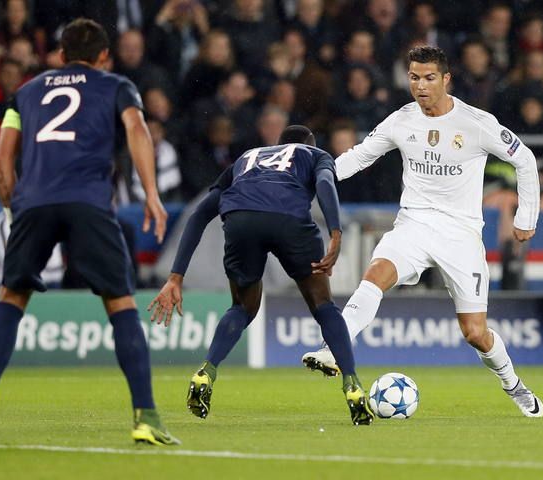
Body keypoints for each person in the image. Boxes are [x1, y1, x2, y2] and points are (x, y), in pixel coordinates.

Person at [0, 18, 176, 446]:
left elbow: (2, 161)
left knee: (11, 297)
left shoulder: (25, 91)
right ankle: (145, 416)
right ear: (104, 56)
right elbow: (136, 130)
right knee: (120, 301)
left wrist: (11, 207)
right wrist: (151, 192)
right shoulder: (116, 86)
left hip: (34, 202)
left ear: (59, 55)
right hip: (88, 202)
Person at [302, 46, 543, 418]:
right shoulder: (401, 120)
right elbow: (359, 156)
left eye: (429, 77)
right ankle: (333, 348)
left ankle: (513, 384)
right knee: (374, 275)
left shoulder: (476, 122)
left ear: (446, 79)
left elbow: (524, 158)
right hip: (414, 223)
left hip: (461, 234)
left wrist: (526, 217)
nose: (421, 85)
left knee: (475, 333)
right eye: (414, 77)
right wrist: (314, 177)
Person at [149, 125, 374, 426]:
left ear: (278, 145)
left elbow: (200, 214)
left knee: (242, 307)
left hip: (240, 220)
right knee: (323, 306)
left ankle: (206, 371)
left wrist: (175, 277)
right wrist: (335, 229)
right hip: (290, 221)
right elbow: (324, 182)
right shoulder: (313, 154)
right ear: (310, 144)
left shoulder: (245, 159)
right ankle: (352, 385)